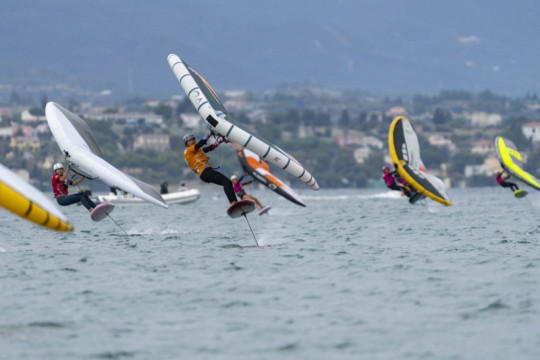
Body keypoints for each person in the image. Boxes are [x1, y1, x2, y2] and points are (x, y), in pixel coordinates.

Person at [183, 133, 237, 205]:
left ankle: (236, 202)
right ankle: (232, 202)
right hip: (204, 173)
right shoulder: (188, 151)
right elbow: (200, 143)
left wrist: (221, 141)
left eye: (193, 139)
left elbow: (211, 147)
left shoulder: (198, 150)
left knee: (228, 182)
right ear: (187, 143)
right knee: (225, 182)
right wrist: (209, 134)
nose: (192, 141)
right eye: (189, 140)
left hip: (207, 171)